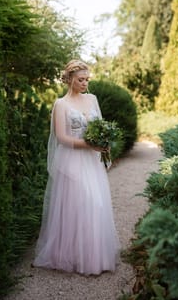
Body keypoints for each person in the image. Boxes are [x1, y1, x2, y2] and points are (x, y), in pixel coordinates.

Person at [33, 59, 120, 275]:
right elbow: (62, 138)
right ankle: (70, 255)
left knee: (96, 204)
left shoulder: (92, 99)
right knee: (76, 206)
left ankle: (94, 256)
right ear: (70, 79)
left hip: (91, 161)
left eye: (87, 79)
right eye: (81, 80)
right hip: (71, 160)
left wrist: (104, 143)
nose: (85, 83)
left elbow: (100, 126)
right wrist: (90, 144)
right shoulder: (60, 105)